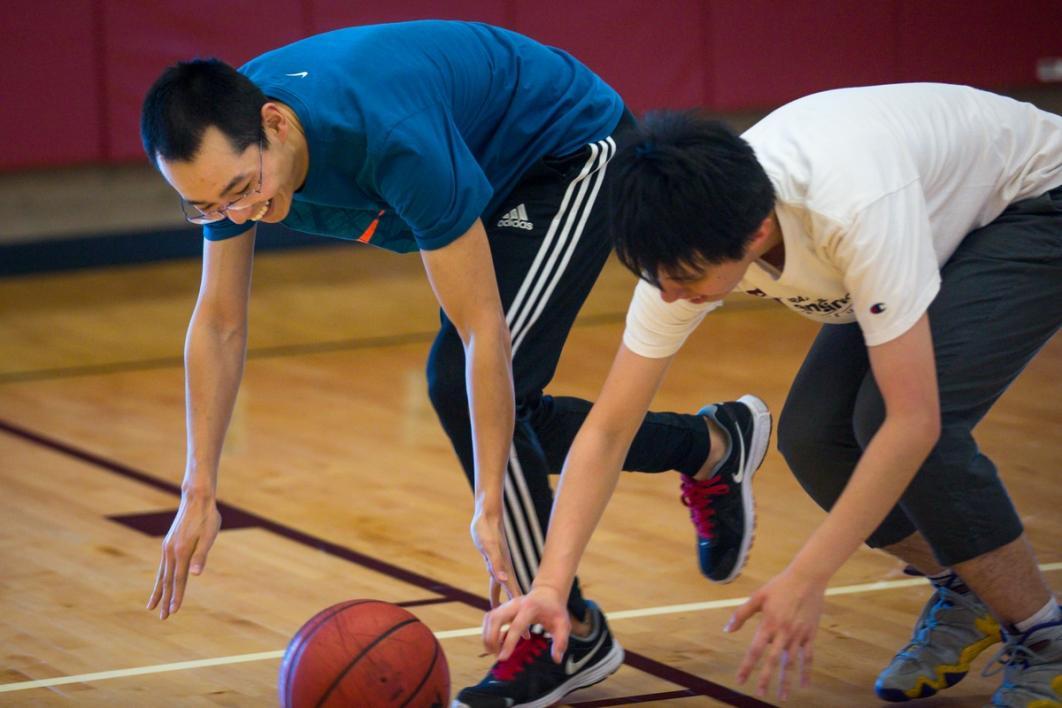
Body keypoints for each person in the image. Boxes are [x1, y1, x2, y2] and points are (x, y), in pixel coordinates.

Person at [138, 21, 765, 707]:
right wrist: (198, 486)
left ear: (276, 124)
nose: (238, 212)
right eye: (207, 207)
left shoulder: (390, 137)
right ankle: (711, 445)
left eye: (240, 190)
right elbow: (220, 321)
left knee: (467, 388)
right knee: (493, 407)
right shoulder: (228, 151)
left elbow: (481, 331)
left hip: (568, 154)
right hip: (480, 168)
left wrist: (491, 498)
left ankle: (562, 630)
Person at [483, 83, 1062, 706]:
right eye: (656, 278)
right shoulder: (684, 236)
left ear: (758, 232)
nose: (669, 296)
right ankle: (968, 589)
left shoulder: (850, 206)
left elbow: (912, 422)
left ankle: (1045, 637)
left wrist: (807, 576)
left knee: (912, 425)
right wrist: (550, 581)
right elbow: (607, 429)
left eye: (684, 280)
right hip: (934, 218)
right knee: (815, 436)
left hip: (1031, 203)